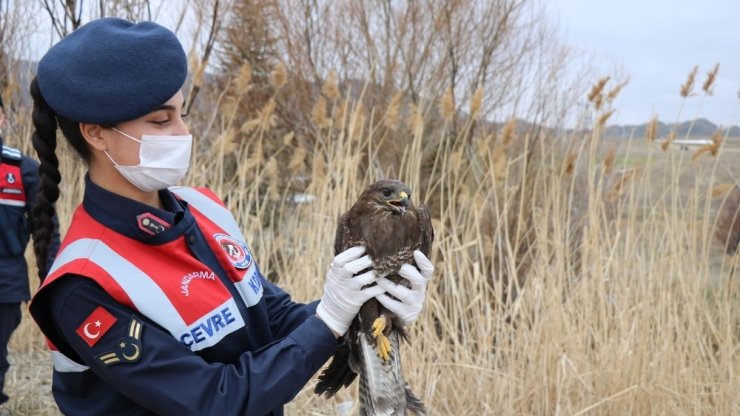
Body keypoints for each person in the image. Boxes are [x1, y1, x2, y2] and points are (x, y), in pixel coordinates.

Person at [27, 17, 434, 415]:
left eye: (183, 114)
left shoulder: (203, 209)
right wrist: (328, 321)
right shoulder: (83, 284)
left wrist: (368, 306)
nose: (183, 133)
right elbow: (215, 400)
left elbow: (271, 319)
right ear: (95, 132)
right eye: (161, 120)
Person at [0, 95, 60, 407]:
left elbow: (46, 231)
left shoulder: (21, 170)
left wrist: (51, 285)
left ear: (3, 120)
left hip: (5, 285)